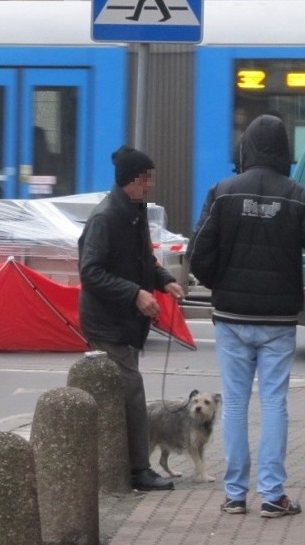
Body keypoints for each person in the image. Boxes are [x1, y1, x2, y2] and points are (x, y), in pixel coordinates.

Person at [187, 114, 305, 518]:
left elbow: (197, 254)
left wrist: (220, 281)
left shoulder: (222, 192)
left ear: (246, 149)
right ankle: (273, 495)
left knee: (237, 404)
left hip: (231, 316)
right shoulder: (298, 197)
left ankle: (235, 495)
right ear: (285, 152)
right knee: (275, 403)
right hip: (277, 319)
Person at [78, 145, 184, 492]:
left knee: (126, 393)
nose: (150, 185)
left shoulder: (134, 212)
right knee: (132, 392)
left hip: (125, 321)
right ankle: (138, 470)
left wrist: (164, 281)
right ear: (132, 181)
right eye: (146, 179)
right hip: (107, 322)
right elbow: (90, 272)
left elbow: (144, 262)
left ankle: (125, 466)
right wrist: (134, 293)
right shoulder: (106, 218)